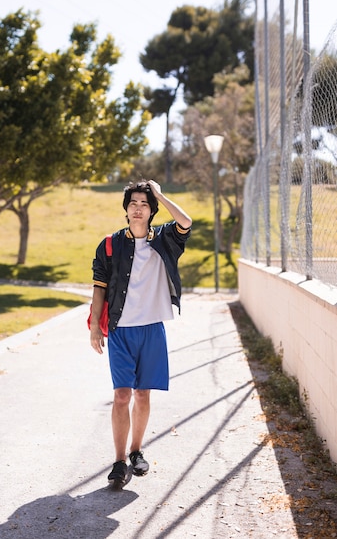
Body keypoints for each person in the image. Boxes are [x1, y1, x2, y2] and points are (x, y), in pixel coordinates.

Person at [89, 179, 192, 487]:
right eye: (133, 203)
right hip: (121, 330)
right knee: (121, 396)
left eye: (144, 204)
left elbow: (185, 222)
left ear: (152, 210)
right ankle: (119, 461)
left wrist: (159, 192)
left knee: (142, 395)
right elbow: (99, 288)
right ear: (126, 208)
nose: (138, 208)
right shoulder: (110, 244)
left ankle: (136, 452)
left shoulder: (165, 239)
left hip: (152, 329)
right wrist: (95, 326)